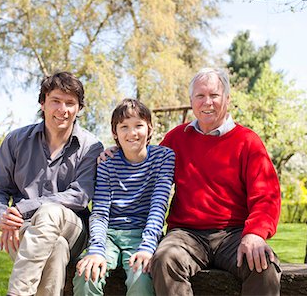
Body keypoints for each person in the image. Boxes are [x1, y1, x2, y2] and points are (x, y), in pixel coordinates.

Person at [149, 68, 282, 295]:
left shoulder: (247, 141)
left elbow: (267, 196)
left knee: (264, 266)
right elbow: (146, 173)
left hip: (234, 234)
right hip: (186, 234)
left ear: (227, 99)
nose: (207, 102)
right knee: (164, 259)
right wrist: (117, 152)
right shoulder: (176, 138)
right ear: (191, 101)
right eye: (200, 96)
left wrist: (255, 233)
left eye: (214, 95)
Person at [0, 71, 104, 296]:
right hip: (25, 228)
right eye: (55, 101)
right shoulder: (15, 140)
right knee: (56, 248)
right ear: (42, 103)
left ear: (79, 108)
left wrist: (23, 207)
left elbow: (80, 195)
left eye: (70, 103)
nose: (63, 109)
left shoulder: (91, 146)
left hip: (73, 228)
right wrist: (3, 216)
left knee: (50, 212)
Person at [73, 98, 175, 296]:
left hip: (142, 233)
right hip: (109, 234)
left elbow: (158, 207)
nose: (132, 133)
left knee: (141, 278)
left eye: (139, 125)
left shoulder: (164, 158)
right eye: (124, 127)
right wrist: (96, 250)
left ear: (150, 129)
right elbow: (100, 212)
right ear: (115, 133)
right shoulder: (107, 163)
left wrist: (147, 247)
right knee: (87, 275)